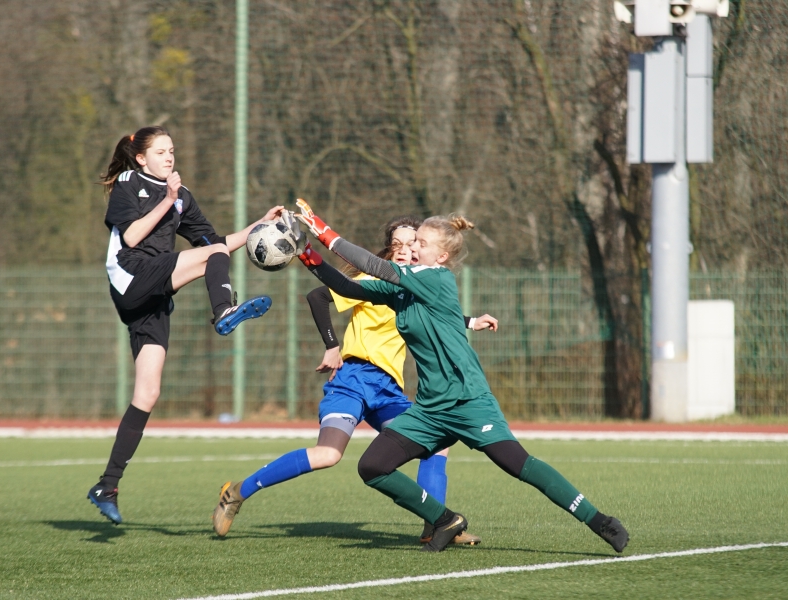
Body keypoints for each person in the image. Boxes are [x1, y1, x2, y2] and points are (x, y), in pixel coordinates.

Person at [293, 199, 630, 553]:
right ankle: (444, 520)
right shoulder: (403, 289)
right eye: (409, 242)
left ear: (440, 257)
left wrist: (325, 231)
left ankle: (600, 521)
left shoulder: (436, 279)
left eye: (419, 243)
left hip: (468, 401)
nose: (410, 248)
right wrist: (306, 253)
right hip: (431, 409)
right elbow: (347, 288)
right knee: (373, 467)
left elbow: (374, 265)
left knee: (520, 465)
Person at [211, 216, 497, 546]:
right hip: (354, 380)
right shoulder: (371, 279)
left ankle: (437, 526)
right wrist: (332, 346)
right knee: (328, 455)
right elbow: (319, 295)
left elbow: (439, 314)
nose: (405, 250)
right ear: (389, 250)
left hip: (388, 389)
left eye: (412, 243)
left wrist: (471, 321)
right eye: (398, 244)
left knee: (437, 447)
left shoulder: (415, 285)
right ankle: (236, 492)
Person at [88, 126, 282, 524]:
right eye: (160, 151)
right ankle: (224, 312)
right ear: (141, 158)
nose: (169, 157)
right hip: (131, 275)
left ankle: (106, 484)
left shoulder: (183, 196)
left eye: (172, 150)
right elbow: (131, 236)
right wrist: (169, 199)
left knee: (148, 391)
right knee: (209, 256)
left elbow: (217, 243)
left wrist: (257, 228)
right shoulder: (130, 182)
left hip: (154, 295)